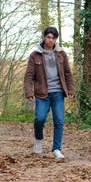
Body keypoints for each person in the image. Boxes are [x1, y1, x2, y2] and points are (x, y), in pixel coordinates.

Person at [24, 27, 75, 159]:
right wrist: (29, 91)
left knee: (59, 121)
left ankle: (56, 149)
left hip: (58, 92)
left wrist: (70, 89)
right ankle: (38, 139)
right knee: (40, 119)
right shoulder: (35, 55)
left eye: (53, 38)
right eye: (48, 37)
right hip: (42, 94)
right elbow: (29, 75)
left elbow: (68, 73)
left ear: (56, 39)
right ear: (44, 37)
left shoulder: (61, 54)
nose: (50, 40)